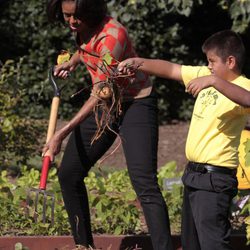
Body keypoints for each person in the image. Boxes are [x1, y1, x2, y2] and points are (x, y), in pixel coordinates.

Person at [45, 1, 173, 249]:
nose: (72, 22)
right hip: (106, 102)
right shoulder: (82, 29)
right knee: (69, 175)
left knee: (144, 183)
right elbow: (87, 49)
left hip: (135, 102)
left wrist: (62, 131)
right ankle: (84, 246)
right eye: (66, 16)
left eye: (77, 17)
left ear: (90, 12)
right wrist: (73, 61)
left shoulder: (113, 35)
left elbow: (100, 91)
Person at [118, 29, 250, 250]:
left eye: (212, 61)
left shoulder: (242, 85)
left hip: (214, 180)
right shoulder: (206, 74)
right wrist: (137, 62)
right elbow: (171, 69)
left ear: (230, 61)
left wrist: (213, 81)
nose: (208, 66)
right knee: (192, 243)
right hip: (193, 175)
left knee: (213, 244)